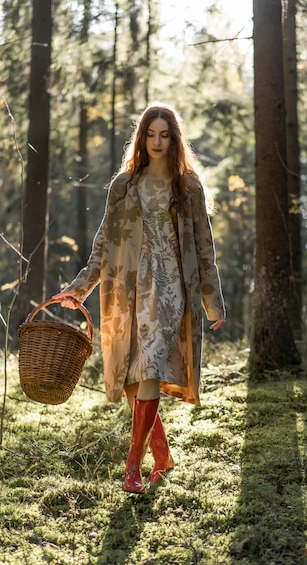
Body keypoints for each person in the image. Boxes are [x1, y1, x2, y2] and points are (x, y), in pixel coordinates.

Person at [52, 102, 226, 493]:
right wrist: (79, 287)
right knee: (133, 377)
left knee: (147, 368)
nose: (157, 142)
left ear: (175, 139)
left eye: (165, 135)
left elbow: (203, 248)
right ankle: (162, 456)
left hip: (171, 290)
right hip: (128, 289)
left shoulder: (189, 187)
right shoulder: (124, 185)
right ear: (141, 138)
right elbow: (103, 243)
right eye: (151, 134)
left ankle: (132, 468)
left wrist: (213, 300)